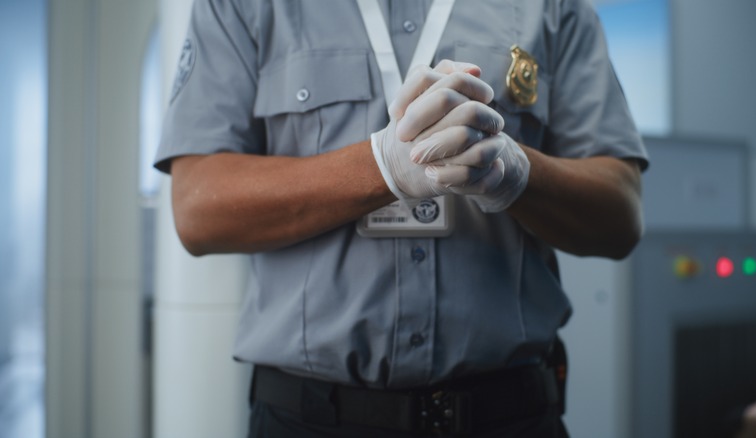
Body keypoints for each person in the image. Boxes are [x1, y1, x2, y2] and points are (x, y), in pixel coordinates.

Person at [155, 0, 648, 436]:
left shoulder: (555, 6)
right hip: (309, 419)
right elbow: (199, 208)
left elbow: (621, 214)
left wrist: (515, 171)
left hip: (510, 414)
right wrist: (382, 165)